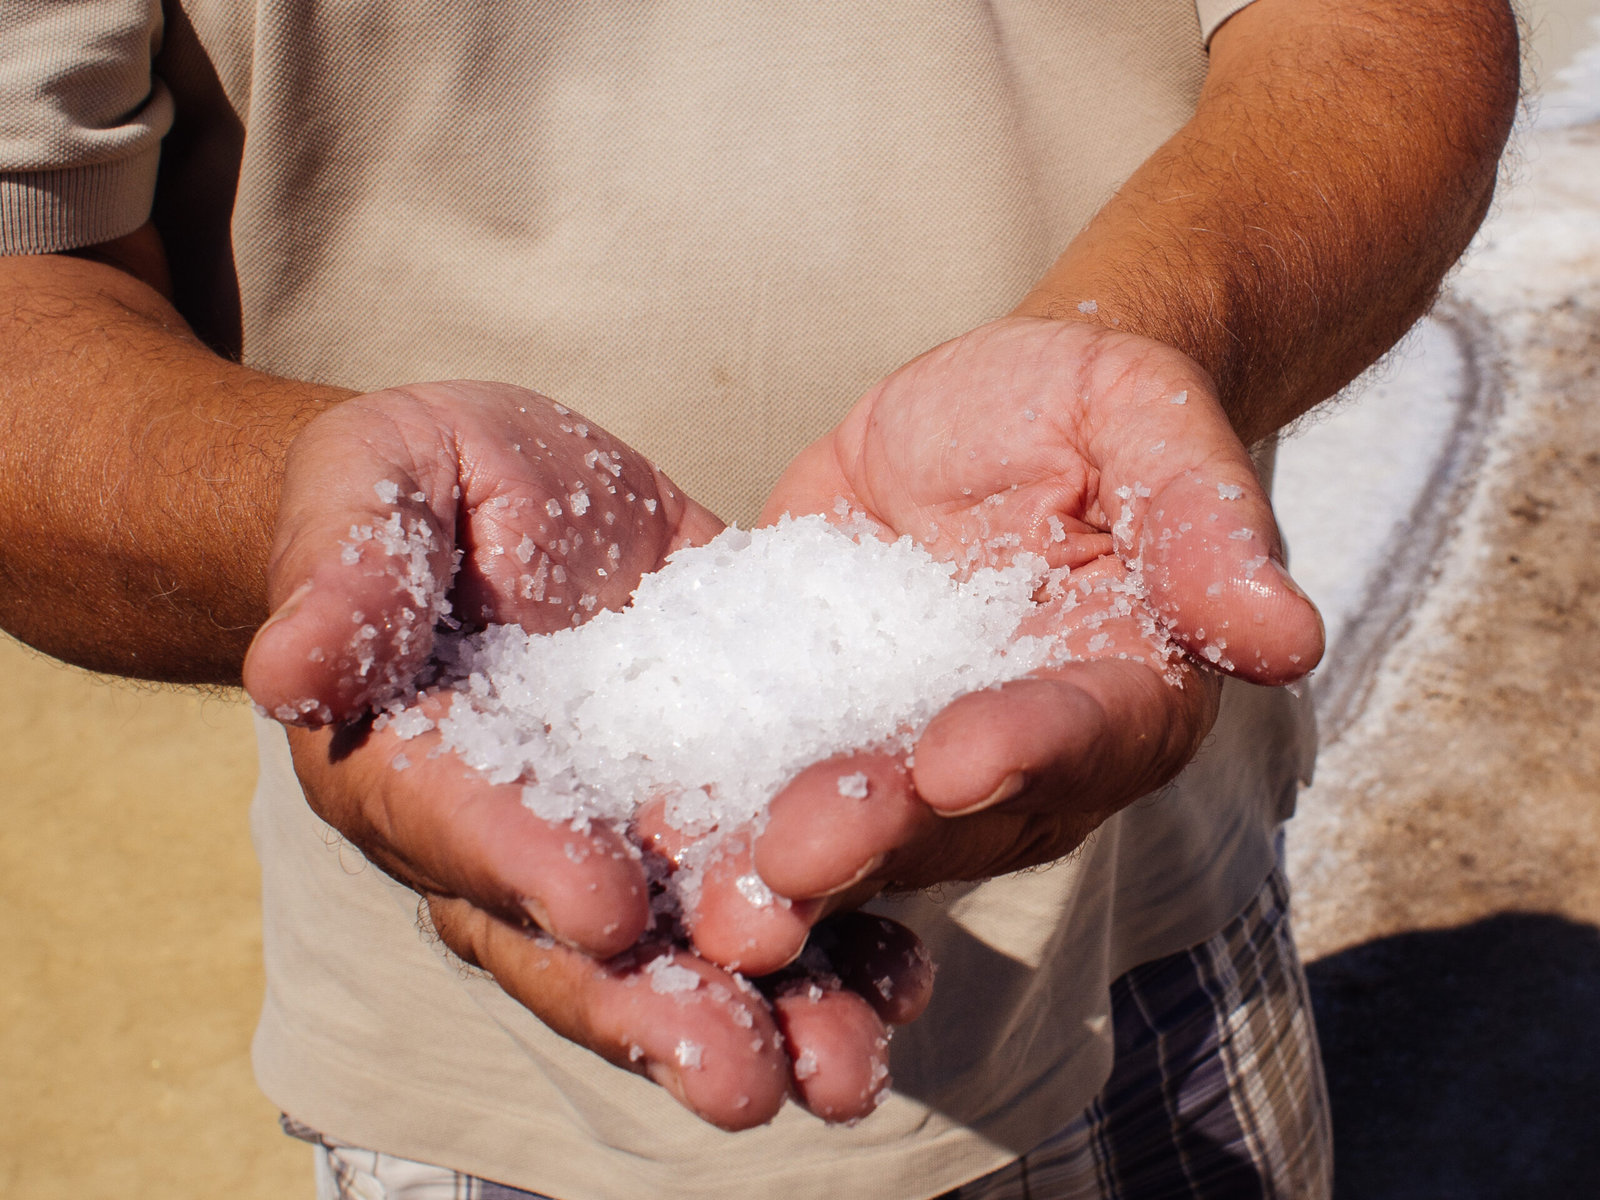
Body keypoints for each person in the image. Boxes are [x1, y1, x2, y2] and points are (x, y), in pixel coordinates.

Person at [0, 0, 1517, 1196]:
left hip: (1151, 917)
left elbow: (1380, 23)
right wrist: (322, 527)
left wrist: (1153, 339)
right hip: (498, 1060)